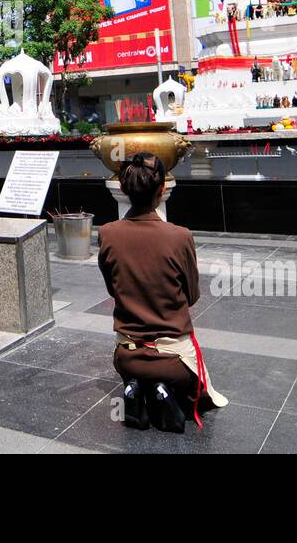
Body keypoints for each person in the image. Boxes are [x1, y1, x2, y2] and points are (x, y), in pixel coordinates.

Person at [97, 153, 227, 432]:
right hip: (174, 360)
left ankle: (137, 388)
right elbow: (192, 295)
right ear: (162, 190)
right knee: (198, 391)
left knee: (136, 364)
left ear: (122, 188)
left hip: (127, 357)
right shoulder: (180, 236)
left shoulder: (107, 233)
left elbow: (113, 288)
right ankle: (164, 391)